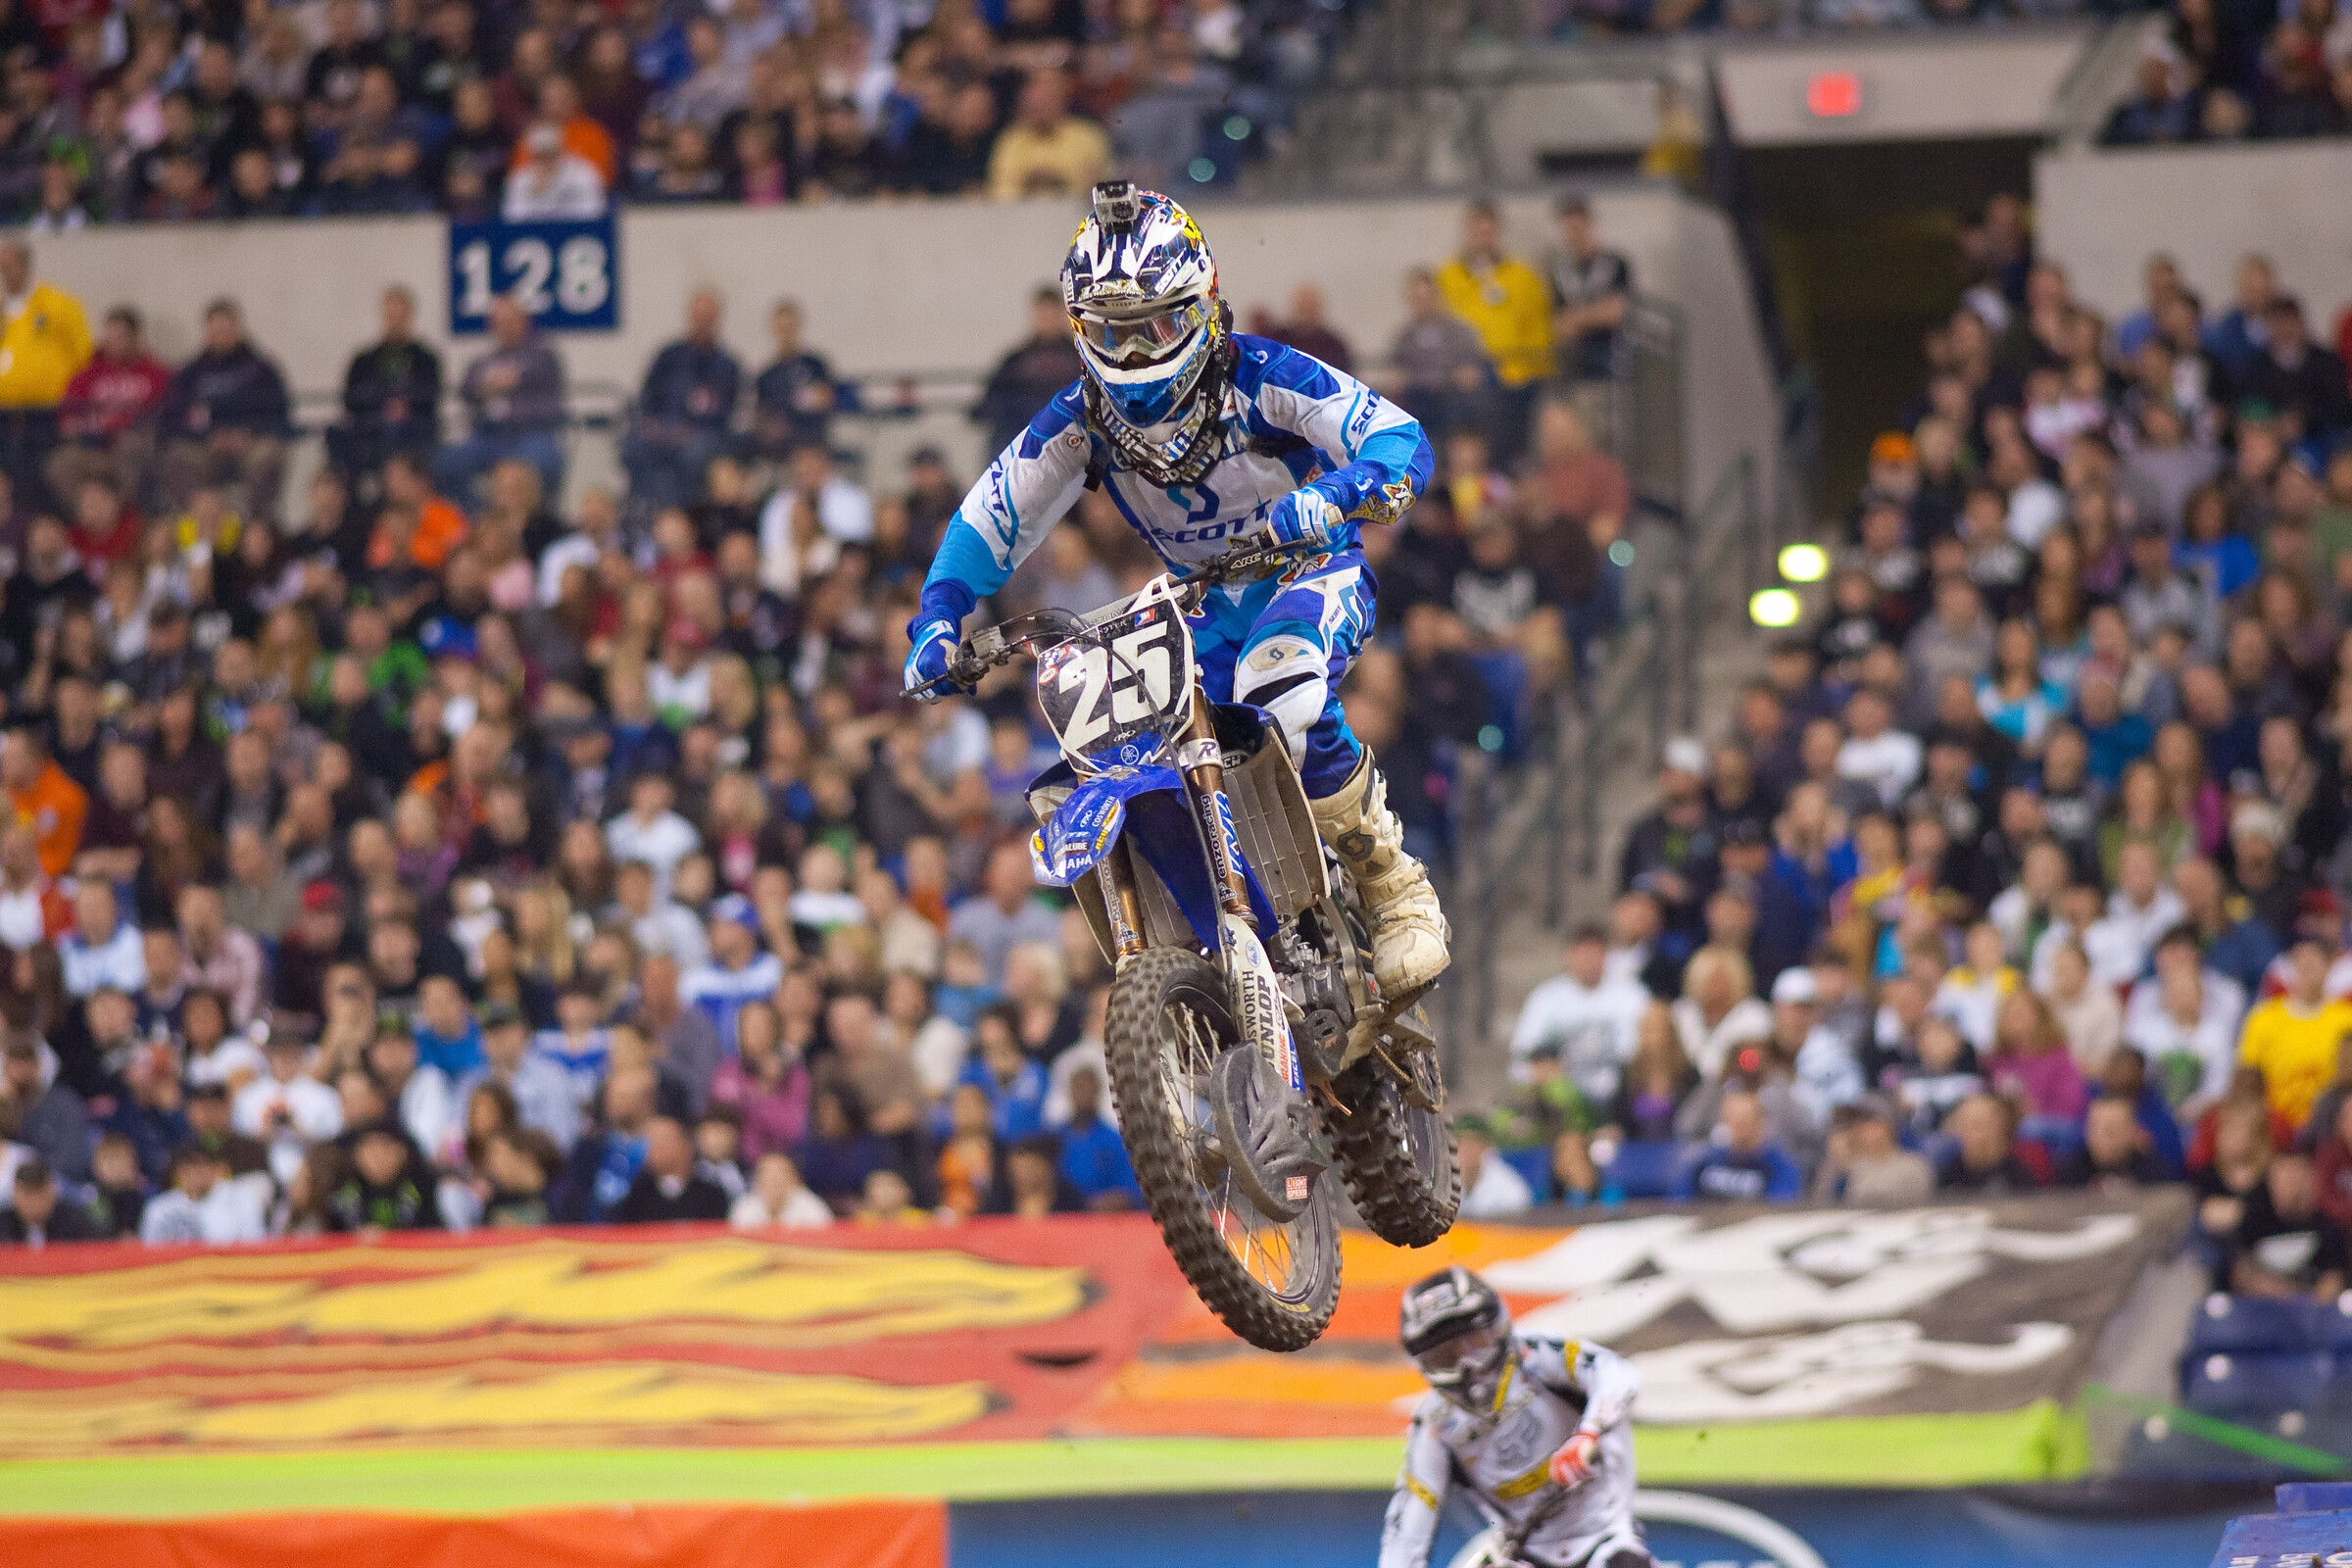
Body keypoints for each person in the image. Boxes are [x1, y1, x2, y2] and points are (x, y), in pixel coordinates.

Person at [907, 184, 1445, 1011]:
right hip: (1201, 604)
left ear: (1203, 307)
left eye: (1156, 325)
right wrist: (940, 617)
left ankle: (1393, 886)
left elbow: (1398, 437)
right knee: (1125, 734)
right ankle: (1239, 938)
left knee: (1284, 687)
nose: (1133, 355)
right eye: (1113, 333)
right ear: (1080, 330)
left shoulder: (1258, 375)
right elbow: (992, 517)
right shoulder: (1081, 419)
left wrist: (1341, 492)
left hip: (1311, 569)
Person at [1383, 1267, 1648, 1568]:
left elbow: (1616, 1373)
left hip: (1606, 1535)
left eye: (1476, 1344)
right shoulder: (1434, 1425)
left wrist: (1588, 1433)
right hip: (1527, 1552)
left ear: (1499, 1328)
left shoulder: (1538, 1354)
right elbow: (1406, 1531)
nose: (1468, 1368)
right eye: (1446, 1358)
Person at [436, 293, 566, 501]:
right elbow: (468, 390)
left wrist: (499, 382)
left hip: (531, 433)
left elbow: (527, 375)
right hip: (489, 436)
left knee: (544, 461)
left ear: (524, 322)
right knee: (448, 462)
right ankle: (480, 519)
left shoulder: (543, 355)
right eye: (500, 322)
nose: (505, 327)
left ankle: (533, 521)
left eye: (511, 321)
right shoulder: (483, 360)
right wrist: (491, 384)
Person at [620, 287, 741, 511]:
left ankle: (684, 512)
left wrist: (689, 431)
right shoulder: (668, 356)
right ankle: (644, 510)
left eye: (707, 318)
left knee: (696, 453)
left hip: (700, 434)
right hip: (661, 430)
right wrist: (651, 425)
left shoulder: (726, 365)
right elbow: (646, 398)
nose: (702, 323)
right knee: (633, 445)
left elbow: (727, 412)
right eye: (697, 317)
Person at [0, 236, 92, 502]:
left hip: (48, 413)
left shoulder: (58, 303)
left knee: (42, 480)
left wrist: (76, 407)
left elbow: (83, 358)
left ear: (25, 264)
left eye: (9, 266)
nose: (4, 274)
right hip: (6, 416)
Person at [329, 284, 442, 481]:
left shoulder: (426, 359)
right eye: (391, 316)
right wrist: (381, 406)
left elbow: (430, 398)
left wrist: (403, 407)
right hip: (370, 428)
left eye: (400, 316)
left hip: (412, 431)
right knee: (334, 434)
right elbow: (350, 399)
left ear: (409, 317)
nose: (395, 322)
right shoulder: (363, 360)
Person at [0, 1155, 101, 1246]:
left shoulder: (74, 1221)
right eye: (27, 1195)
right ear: (14, 1194)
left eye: (40, 1195)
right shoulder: (3, 1224)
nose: (34, 1204)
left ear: (53, 1191)